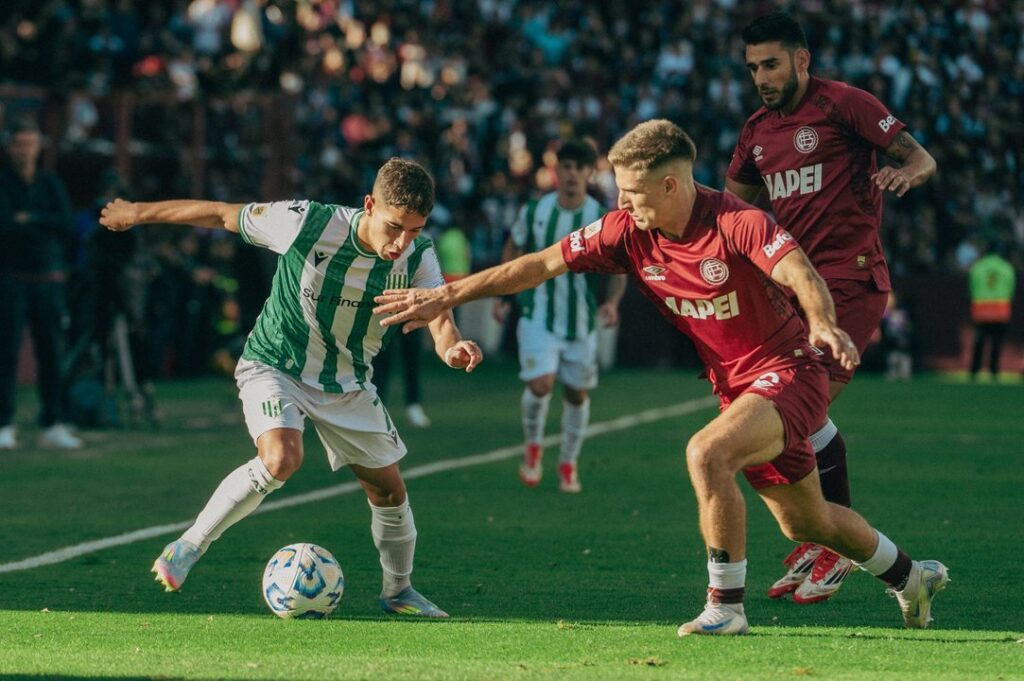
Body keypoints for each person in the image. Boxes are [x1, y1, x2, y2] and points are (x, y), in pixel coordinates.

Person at [374, 120, 948, 636]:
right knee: (809, 522)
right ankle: (911, 576)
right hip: (737, 387)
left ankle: (725, 605)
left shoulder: (736, 221)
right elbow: (538, 265)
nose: (622, 202)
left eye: (632, 191)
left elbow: (798, 272)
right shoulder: (627, 230)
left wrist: (823, 323)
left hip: (789, 372)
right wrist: (445, 294)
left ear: (672, 186)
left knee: (707, 454)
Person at [100, 158, 482, 618]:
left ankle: (398, 591)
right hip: (275, 363)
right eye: (395, 226)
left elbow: (439, 316)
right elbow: (222, 214)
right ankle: (188, 545)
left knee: (388, 492)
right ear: (369, 205)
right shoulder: (308, 222)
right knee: (282, 458)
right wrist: (138, 212)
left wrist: (453, 347)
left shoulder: (419, 257)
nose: (402, 242)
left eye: (415, 230)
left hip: (348, 382)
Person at [724, 11, 937, 604]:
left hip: (850, 281)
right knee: (803, 414)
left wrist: (905, 173)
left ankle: (835, 542)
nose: (761, 77)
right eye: (752, 68)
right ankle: (855, 549)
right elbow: (730, 216)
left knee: (789, 409)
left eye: (770, 63)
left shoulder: (845, 104)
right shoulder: (756, 133)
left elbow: (921, 157)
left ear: (801, 59)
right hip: (789, 290)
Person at [492, 139, 626, 492]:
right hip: (537, 313)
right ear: (557, 171)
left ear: (588, 173)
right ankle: (533, 449)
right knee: (540, 384)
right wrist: (504, 290)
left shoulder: (599, 217)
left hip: (580, 320)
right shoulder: (537, 209)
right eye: (565, 167)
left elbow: (618, 267)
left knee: (576, 395)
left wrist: (611, 302)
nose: (571, 174)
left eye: (578, 168)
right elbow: (515, 244)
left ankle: (568, 461)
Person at [0, 119, 83, 450]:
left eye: (30, 143)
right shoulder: (4, 183)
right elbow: (4, 226)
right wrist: (40, 223)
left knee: (51, 351)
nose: (24, 151)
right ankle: (4, 422)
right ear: (10, 147)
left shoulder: (50, 184)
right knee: (6, 352)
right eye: (19, 144)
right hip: (10, 278)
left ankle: (53, 421)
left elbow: (67, 225)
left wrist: (29, 218)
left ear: (38, 146)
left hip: (47, 279)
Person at [968, 241, 1015, 380]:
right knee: (996, 343)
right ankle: (994, 371)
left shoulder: (977, 267)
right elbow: (1010, 289)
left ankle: (974, 371)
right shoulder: (1007, 268)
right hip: (1000, 309)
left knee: (979, 342)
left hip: (981, 309)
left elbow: (971, 288)